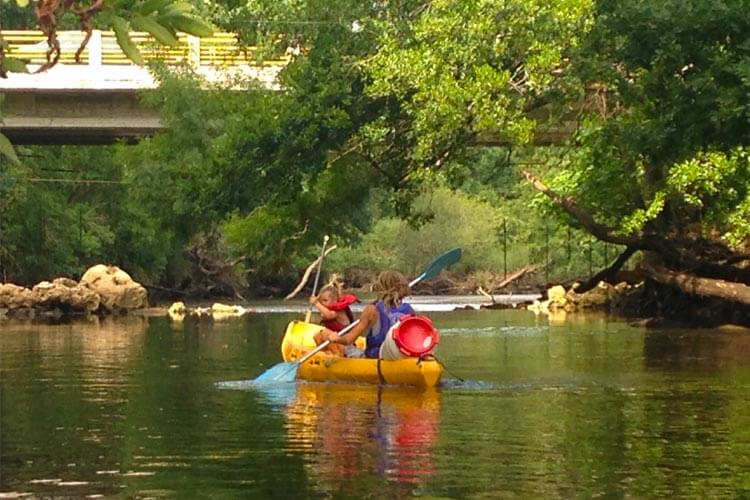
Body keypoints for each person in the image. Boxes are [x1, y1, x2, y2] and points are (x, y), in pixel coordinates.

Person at [315, 271, 417, 360]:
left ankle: (332, 357)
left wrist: (337, 338)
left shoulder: (371, 309)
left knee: (322, 334)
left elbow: (349, 339)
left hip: (375, 357)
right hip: (399, 356)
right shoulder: (409, 310)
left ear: (380, 287)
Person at [311, 284, 358, 356]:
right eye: (321, 301)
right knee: (317, 336)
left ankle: (337, 354)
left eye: (325, 300)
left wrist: (316, 303)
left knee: (325, 333)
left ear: (335, 300)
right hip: (337, 342)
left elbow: (329, 315)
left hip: (345, 345)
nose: (323, 303)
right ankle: (327, 352)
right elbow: (325, 316)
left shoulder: (338, 311)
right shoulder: (328, 311)